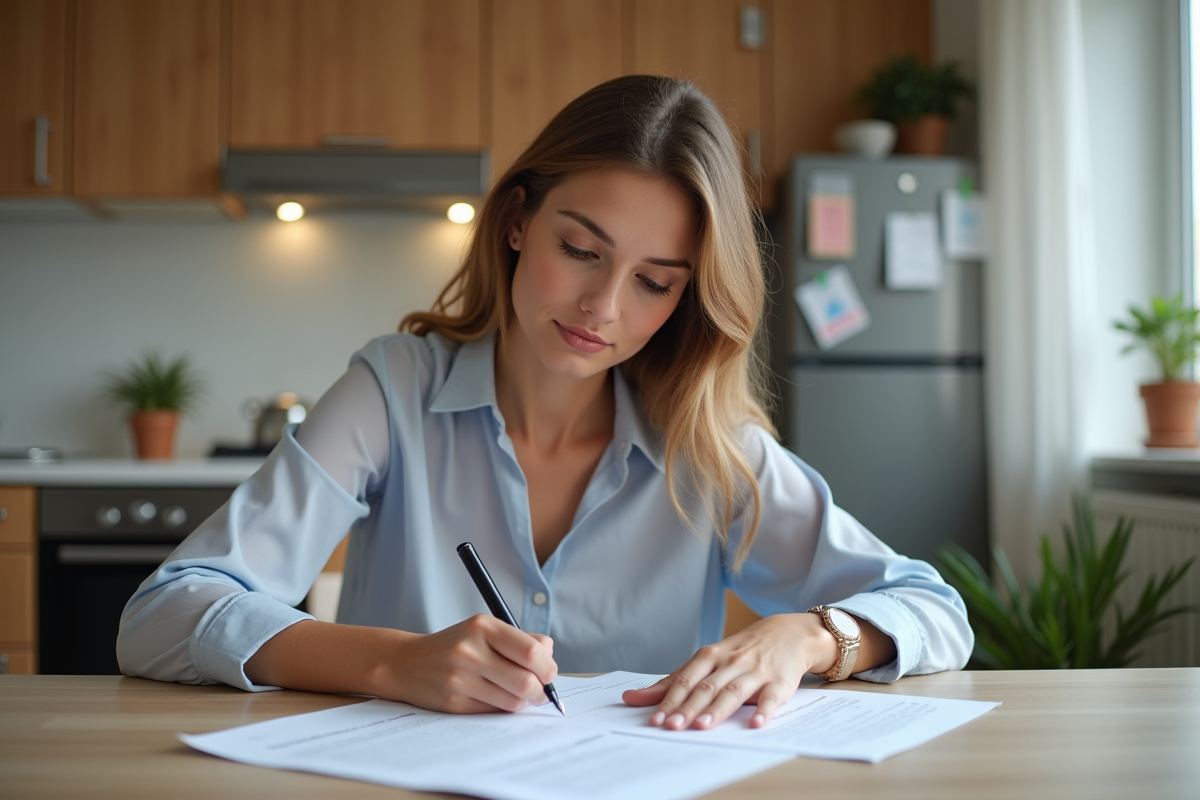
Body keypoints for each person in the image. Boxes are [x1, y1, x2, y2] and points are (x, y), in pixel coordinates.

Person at [118, 75, 972, 732]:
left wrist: (810, 637)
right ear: (519, 221)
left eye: (654, 282)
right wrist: (389, 663)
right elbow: (160, 617)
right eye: (581, 249)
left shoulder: (708, 446)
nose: (603, 307)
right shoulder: (393, 390)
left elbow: (935, 609)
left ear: (687, 298)